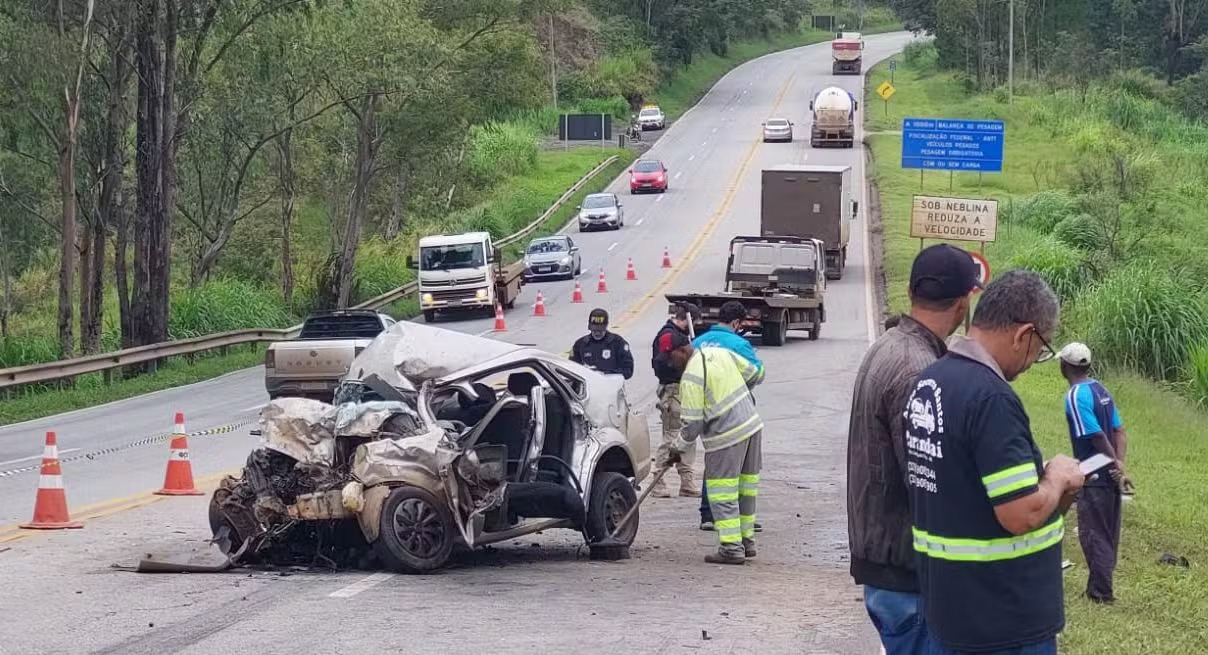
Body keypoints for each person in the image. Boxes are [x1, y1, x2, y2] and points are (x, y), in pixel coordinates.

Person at [903, 270, 1086, 655]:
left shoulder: (931, 381)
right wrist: (1056, 477)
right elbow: (1020, 514)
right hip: (1002, 620)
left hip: (950, 611)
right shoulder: (992, 399)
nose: (1031, 363)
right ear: (1024, 335)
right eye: (1041, 350)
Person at [846, 244, 983, 655]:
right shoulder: (918, 370)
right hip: (904, 567)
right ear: (963, 303)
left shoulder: (890, 345)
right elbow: (926, 477)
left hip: (886, 560)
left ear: (911, 291)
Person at [666, 342, 765, 564]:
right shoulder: (719, 352)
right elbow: (755, 373)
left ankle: (731, 548)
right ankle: (746, 541)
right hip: (751, 425)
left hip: (726, 437)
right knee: (745, 491)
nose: (671, 365)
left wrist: (677, 448)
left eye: (671, 358)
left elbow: (692, 425)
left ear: (682, 350)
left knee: (723, 494)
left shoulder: (691, 377)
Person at [1059, 341, 1134, 604]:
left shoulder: (1075, 396)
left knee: (1093, 532)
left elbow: (1096, 436)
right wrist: (1120, 464)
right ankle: (1100, 584)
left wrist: (1114, 464)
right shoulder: (1101, 390)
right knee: (1108, 531)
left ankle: (1101, 593)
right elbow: (1119, 430)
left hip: (1094, 472)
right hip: (1110, 472)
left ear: (1064, 366)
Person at [691, 300, 764, 531]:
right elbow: (757, 374)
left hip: (706, 411)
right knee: (740, 472)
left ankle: (707, 514)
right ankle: (741, 520)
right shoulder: (739, 344)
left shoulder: (697, 342)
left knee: (713, 465)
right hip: (735, 414)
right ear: (736, 323)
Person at [649, 302, 703, 498]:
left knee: (687, 435)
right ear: (688, 320)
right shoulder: (669, 336)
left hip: (684, 390)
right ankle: (658, 480)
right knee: (672, 436)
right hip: (673, 390)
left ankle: (687, 481)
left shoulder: (679, 337)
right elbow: (663, 364)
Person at [570, 308, 634, 379]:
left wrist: (604, 374)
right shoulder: (580, 344)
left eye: (600, 330)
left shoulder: (618, 343)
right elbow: (571, 369)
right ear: (590, 327)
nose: (597, 333)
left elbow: (628, 371)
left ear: (606, 326)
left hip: (611, 386)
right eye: (594, 330)